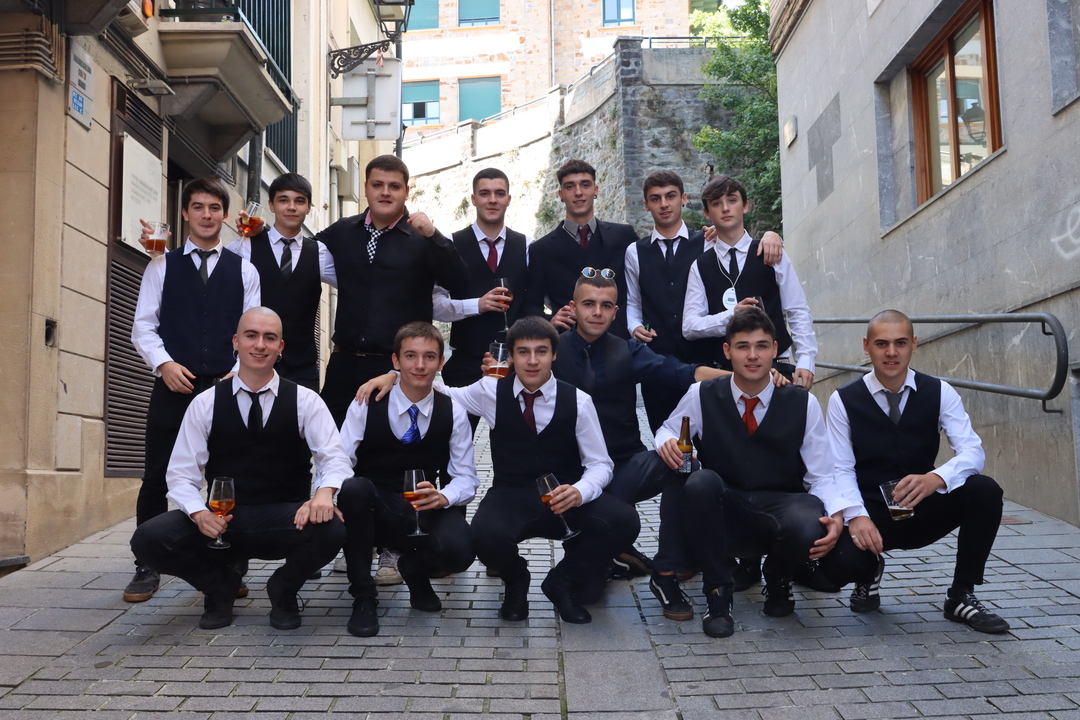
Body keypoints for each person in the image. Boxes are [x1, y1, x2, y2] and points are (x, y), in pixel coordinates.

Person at [358, 316, 639, 624]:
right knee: (481, 534)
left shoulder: (579, 401)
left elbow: (600, 464)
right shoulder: (490, 390)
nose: (533, 360)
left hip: (564, 496)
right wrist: (393, 375)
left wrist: (579, 491)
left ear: (554, 355)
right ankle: (516, 581)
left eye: (541, 351)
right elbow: (435, 388)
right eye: (523, 352)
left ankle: (562, 581)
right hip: (511, 495)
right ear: (511, 356)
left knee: (625, 520)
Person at [130, 308, 350, 630]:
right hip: (224, 521)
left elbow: (335, 458)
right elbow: (180, 474)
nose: (260, 345)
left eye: (269, 338)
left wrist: (324, 493)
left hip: (284, 520)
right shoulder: (205, 402)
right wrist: (199, 514)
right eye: (251, 335)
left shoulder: (306, 401)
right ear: (236, 342)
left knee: (333, 528)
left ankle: (284, 589)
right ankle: (219, 586)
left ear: (280, 347)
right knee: (148, 539)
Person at [655, 307, 863, 638]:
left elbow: (821, 474)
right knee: (699, 481)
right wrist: (665, 441)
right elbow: (668, 428)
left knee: (809, 520)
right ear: (727, 351)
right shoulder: (702, 394)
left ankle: (779, 574)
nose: (753, 356)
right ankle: (717, 595)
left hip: (779, 505)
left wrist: (837, 514)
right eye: (743, 346)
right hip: (726, 507)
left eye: (761, 346)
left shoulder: (802, 402)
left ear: (775, 350)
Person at [822, 310, 1009, 633]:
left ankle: (961, 594)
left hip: (923, 507)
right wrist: (857, 516)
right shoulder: (843, 399)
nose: (891, 352)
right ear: (866, 346)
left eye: (900, 343)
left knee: (985, 490)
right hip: (873, 513)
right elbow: (840, 467)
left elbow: (972, 451)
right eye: (882, 344)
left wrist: (937, 478)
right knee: (837, 567)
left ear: (914, 344)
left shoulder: (940, 391)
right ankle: (867, 571)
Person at [551, 272, 735, 598]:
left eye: (606, 305)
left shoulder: (628, 350)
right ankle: (612, 554)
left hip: (625, 467)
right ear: (573, 307)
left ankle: (667, 569)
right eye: (589, 304)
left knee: (683, 462)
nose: (597, 312)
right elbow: (514, 377)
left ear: (616, 312)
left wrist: (745, 378)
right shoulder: (551, 351)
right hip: (573, 479)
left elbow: (684, 373)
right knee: (586, 592)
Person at [126, 177, 261, 604]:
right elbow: (143, 326)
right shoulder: (161, 265)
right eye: (198, 207)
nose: (206, 215)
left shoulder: (245, 269)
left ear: (226, 215)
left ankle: (229, 562)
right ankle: (146, 564)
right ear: (185, 213)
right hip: (174, 384)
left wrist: (237, 372)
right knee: (156, 476)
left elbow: (251, 329)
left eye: (214, 208)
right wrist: (163, 364)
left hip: (225, 387)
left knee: (229, 476)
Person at [334, 322, 478, 637]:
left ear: (441, 363)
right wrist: (327, 494)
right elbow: (340, 460)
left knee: (461, 550)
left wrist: (444, 496)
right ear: (396, 361)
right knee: (354, 488)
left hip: (422, 506)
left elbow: (466, 477)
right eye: (411, 356)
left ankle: (414, 570)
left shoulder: (452, 410)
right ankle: (363, 596)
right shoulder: (367, 401)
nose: (420, 365)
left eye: (429, 357)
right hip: (375, 507)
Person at [316, 154, 469, 427]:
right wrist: (261, 236)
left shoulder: (424, 238)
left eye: (394, 186)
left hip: (396, 369)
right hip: (344, 364)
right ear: (366, 188)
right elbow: (300, 253)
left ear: (406, 191)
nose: (385, 192)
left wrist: (434, 236)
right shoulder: (343, 230)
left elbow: (460, 282)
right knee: (330, 442)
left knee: (389, 445)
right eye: (377, 185)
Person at [626, 170, 783, 433]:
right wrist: (634, 326)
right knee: (664, 437)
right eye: (655, 198)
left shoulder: (709, 242)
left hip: (706, 361)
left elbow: (738, 240)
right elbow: (633, 301)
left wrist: (772, 235)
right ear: (646, 205)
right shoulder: (634, 252)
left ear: (683, 199)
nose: (664, 204)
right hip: (659, 363)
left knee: (712, 436)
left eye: (670, 196)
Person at [682, 175, 817, 389]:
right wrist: (730, 316)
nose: (725, 208)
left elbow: (797, 309)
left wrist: (806, 359)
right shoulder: (700, 265)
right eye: (716, 203)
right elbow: (689, 326)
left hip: (777, 369)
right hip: (724, 372)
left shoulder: (771, 252)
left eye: (732, 200)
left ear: (745, 206)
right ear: (707, 213)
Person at [435, 168, 530, 429]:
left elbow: (536, 301)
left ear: (508, 199)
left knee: (515, 439)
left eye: (499, 193)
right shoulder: (450, 244)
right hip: (465, 362)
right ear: (473, 199)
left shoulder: (528, 246)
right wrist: (477, 305)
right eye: (485, 193)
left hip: (515, 363)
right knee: (455, 437)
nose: (492, 200)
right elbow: (435, 305)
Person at [524, 159, 636, 339]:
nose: (578, 192)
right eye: (570, 186)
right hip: (566, 344)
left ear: (595, 190)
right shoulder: (541, 249)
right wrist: (549, 321)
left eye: (585, 185)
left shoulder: (624, 236)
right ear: (561, 194)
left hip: (619, 343)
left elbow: (642, 287)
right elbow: (531, 305)